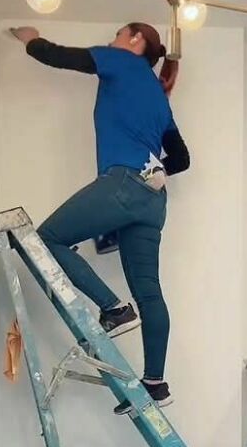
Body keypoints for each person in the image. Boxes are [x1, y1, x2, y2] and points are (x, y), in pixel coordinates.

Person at [10, 23, 190, 413]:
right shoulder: (160, 98)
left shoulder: (121, 61)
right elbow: (182, 158)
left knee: (49, 238)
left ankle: (113, 309)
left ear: (135, 41)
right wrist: (157, 172)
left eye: (118, 33)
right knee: (150, 292)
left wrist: (28, 37)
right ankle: (156, 383)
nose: (112, 40)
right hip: (152, 202)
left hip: (123, 185)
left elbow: (56, 54)